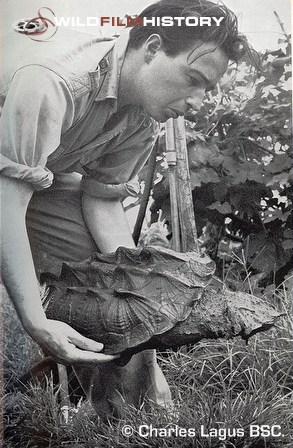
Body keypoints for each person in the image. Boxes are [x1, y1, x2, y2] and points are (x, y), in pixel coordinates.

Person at [0, 0, 249, 415]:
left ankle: (129, 423)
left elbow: (100, 201)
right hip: (7, 181)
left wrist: (143, 304)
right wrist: (35, 319)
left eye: (208, 89)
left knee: (126, 303)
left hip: (26, 176)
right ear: (152, 48)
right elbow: (6, 202)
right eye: (193, 79)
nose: (198, 100)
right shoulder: (54, 80)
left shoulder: (143, 119)